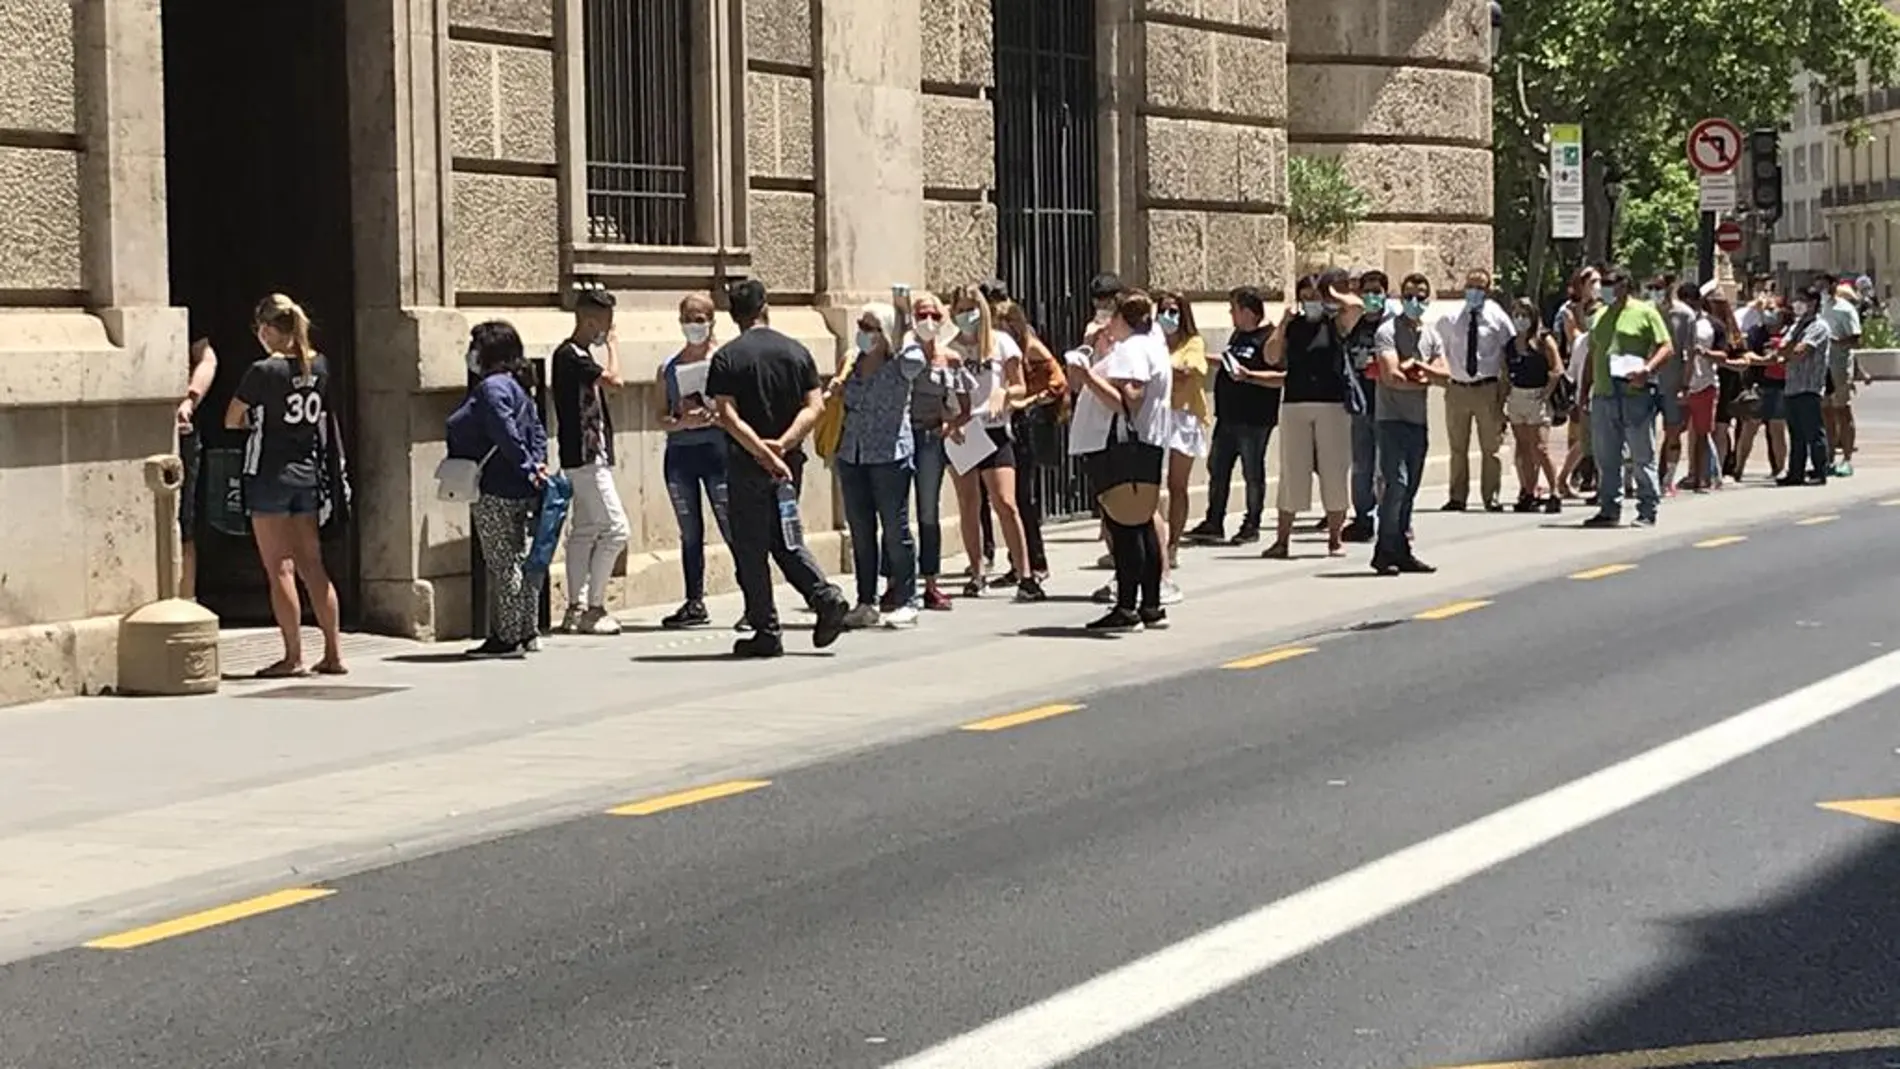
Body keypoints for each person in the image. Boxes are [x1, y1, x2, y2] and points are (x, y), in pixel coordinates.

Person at [705, 278, 852, 657]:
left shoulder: (727, 357)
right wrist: (784, 446)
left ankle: (767, 630)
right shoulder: (796, 351)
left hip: (747, 464)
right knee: (785, 538)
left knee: (751, 548)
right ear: (765, 306)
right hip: (789, 465)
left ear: (732, 314)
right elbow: (815, 407)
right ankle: (824, 597)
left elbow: (727, 415)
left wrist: (763, 453)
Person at [224, 294, 345, 676]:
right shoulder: (320, 366)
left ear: (268, 330)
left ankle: (293, 656)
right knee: (313, 564)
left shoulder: (262, 371)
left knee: (279, 568)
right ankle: (333, 652)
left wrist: (257, 422)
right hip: (307, 472)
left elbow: (233, 418)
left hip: (269, 472)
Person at [445, 320, 550, 659]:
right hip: (520, 484)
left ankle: (506, 636)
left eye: (475, 346)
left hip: (496, 485)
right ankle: (526, 629)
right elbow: (535, 429)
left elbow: (505, 432)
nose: (470, 353)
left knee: (503, 561)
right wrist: (536, 466)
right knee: (520, 557)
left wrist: (524, 464)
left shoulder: (491, 389)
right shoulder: (518, 387)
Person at [1068, 290, 1172, 632]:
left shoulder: (1133, 350)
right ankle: (1151, 606)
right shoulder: (1151, 346)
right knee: (1140, 525)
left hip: (1125, 448)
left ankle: (1127, 607)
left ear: (1120, 319)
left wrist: (1087, 377)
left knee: (1126, 529)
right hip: (1146, 445)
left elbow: (1129, 401)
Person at [944, 284, 1042, 601]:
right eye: (959, 309)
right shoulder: (949, 349)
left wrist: (1004, 393)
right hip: (964, 430)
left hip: (995, 427)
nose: (965, 315)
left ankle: (1026, 574)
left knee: (1005, 502)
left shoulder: (1002, 344)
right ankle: (976, 572)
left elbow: (1019, 387)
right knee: (969, 504)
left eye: (971, 308)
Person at [834, 301, 925, 629]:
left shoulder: (902, 362)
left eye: (870, 327)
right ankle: (865, 600)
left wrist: (905, 329)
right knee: (861, 530)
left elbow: (919, 359)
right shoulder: (851, 362)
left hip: (889, 455)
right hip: (852, 453)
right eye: (861, 325)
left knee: (895, 528)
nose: (862, 332)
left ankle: (908, 598)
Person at [1262, 271, 1362, 559]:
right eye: (1304, 297)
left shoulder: (1335, 323)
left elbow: (1355, 307)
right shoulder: (1293, 327)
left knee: (1334, 470)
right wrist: (1283, 324)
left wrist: (1333, 295)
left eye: (1314, 297)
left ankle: (1334, 538)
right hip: (1295, 403)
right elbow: (1270, 357)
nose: (1310, 302)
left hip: (1331, 404)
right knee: (1293, 471)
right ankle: (1282, 540)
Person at [656, 293, 738, 629]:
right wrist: (681, 422)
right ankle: (694, 600)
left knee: (731, 524)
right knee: (690, 531)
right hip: (681, 452)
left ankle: (754, 597)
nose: (694, 324)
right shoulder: (670, 367)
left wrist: (716, 416)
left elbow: (737, 409)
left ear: (712, 320)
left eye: (700, 317)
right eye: (689, 317)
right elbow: (660, 416)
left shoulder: (724, 360)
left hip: (717, 450)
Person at [552, 288, 629, 636]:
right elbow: (616, 381)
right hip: (584, 457)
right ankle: (594, 608)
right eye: (606, 325)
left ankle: (575, 606)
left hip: (588, 454)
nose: (607, 332)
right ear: (590, 321)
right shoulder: (571, 355)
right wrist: (614, 346)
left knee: (584, 530)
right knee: (616, 529)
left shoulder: (578, 356)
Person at [1183, 287, 1280, 546]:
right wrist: (1204, 360)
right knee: (1218, 467)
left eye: (1234, 309)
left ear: (1248, 312)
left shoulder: (1269, 338)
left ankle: (1252, 524)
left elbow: (1281, 378)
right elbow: (1230, 361)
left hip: (1254, 419)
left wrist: (1250, 376)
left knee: (1252, 472)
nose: (1230, 314)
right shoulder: (1238, 336)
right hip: (1228, 417)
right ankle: (1214, 520)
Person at [1580, 267, 1671, 528]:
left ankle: (1647, 508)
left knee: (1642, 454)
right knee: (1606, 456)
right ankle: (1609, 508)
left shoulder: (1645, 312)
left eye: (1610, 283)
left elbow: (1666, 346)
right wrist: (1584, 389)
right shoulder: (1599, 316)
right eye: (1603, 283)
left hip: (1635, 394)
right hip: (1604, 393)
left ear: (1624, 285)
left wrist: (1648, 369)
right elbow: (1592, 353)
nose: (1604, 288)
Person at [1372, 274, 1451, 574]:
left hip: (1417, 422)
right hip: (1390, 420)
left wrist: (1418, 367)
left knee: (1411, 487)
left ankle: (1402, 549)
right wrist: (1424, 378)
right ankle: (1384, 550)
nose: (1414, 302)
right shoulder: (1387, 332)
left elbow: (1446, 377)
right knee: (1397, 484)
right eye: (1408, 296)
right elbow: (1392, 377)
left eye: (1420, 296)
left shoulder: (1431, 336)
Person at [994, 298, 1067, 583]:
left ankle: (1036, 562)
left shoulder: (1030, 347)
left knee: (1023, 498)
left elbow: (1057, 382)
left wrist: (1030, 400)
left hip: (1024, 423)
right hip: (1006, 419)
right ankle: (1017, 562)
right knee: (1007, 499)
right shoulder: (1000, 349)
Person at [903, 292, 963, 611]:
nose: (928, 321)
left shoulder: (949, 358)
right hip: (901, 437)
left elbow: (956, 402)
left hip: (929, 438)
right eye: (922, 314)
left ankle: (930, 581)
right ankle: (896, 581)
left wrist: (950, 422)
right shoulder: (903, 355)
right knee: (895, 511)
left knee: (928, 511)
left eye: (934, 316)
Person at [1440, 267, 1514, 511]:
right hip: (1458, 388)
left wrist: (1504, 393)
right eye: (1471, 286)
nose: (1474, 291)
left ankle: (1490, 496)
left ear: (1488, 290)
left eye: (1480, 287)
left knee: (1490, 448)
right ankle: (1457, 497)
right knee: (1457, 447)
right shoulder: (1452, 317)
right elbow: (1443, 350)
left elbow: (1509, 351)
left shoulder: (1497, 316)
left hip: (1487, 388)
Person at [1156, 290, 1209, 567]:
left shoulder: (1194, 342)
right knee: (1150, 484)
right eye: (1163, 310)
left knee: (1177, 484)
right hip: (1156, 415)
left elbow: (1188, 370)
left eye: (1174, 311)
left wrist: (1163, 368)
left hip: (1184, 417)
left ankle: (1174, 544)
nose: (1168, 317)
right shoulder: (1152, 342)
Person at [1503, 297, 1565, 512]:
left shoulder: (1543, 340)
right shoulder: (1510, 345)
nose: (1521, 319)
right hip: (1517, 396)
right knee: (1522, 447)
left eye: (1525, 315)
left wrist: (1546, 393)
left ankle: (1555, 491)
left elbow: (1557, 369)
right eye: (1517, 315)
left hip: (1537, 396)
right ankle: (1528, 491)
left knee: (1540, 447)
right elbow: (1505, 374)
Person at [1343, 270, 1390, 541]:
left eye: (1377, 291)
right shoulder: (1356, 327)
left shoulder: (1391, 327)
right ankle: (1363, 518)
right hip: (1361, 406)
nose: (1373, 297)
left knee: (1386, 468)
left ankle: (1393, 521)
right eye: (1367, 292)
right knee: (1361, 466)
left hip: (1386, 406)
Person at [177, 319, 218, 600]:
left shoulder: (184, 300)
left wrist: (190, 399)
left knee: (184, 521)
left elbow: (206, 357)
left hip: (184, 431)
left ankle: (187, 601)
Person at [1778, 284, 1834, 487]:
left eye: (1802, 300)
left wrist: (1787, 352)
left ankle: (1820, 470)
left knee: (1813, 431)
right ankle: (1796, 472)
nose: (1797, 304)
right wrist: (1786, 351)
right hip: (1792, 385)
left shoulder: (1819, 327)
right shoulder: (1797, 325)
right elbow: (1782, 348)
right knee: (1796, 433)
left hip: (1809, 386)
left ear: (1813, 304)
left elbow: (1802, 351)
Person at [1555, 267, 1601, 500]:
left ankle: (1596, 481)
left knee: (1594, 438)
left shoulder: (1604, 309)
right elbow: (1573, 342)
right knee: (1585, 438)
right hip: (1582, 376)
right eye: (1592, 281)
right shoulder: (1568, 311)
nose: (1596, 286)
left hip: (1604, 378)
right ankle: (1566, 477)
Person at [1734, 293, 1790, 482]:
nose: (1769, 313)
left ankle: (1780, 469)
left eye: (1773, 308)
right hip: (1759, 385)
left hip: (1781, 386)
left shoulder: (1789, 332)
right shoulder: (1757, 332)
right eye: (1766, 309)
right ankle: (1738, 468)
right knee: (1749, 428)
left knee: (1777, 428)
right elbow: (1748, 354)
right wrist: (1764, 360)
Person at [1655, 277, 1697, 495]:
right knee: (1640, 430)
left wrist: (1686, 385)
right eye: (1653, 287)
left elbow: (1690, 354)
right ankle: (1633, 480)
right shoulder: (1648, 311)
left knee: (1673, 431)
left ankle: (1668, 479)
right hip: (1649, 382)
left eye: (1660, 287)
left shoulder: (1685, 315)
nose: (1656, 292)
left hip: (1673, 383)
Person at [1820, 276, 1865, 476]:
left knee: (1842, 411)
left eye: (1824, 284)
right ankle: (1829, 457)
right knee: (1825, 413)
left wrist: (1837, 341)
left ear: (1833, 286)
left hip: (1838, 365)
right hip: (1821, 366)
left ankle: (1847, 459)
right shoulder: (1818, 309)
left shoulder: (1845, 309)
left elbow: (1856, 338)